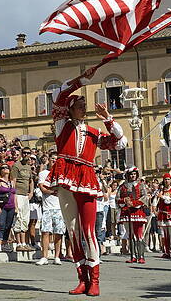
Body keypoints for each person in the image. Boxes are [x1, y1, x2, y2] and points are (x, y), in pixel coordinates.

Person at [43, 68, 127, 296]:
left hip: (86, 178)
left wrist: (108, 119)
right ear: (70, 109)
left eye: (84, 104)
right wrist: (81, 80)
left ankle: (96, 280)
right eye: (79, 104)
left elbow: (120, 143)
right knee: (73, 230)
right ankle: (82, 279)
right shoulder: (62, 125)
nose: (84, 106)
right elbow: (59, 95)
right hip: (65, 177)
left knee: (89, 231)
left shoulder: (93, 132)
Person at [36, 152, 65, 266]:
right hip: (47, 207)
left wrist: (55, 191)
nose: (54, 161)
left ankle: (57, 256)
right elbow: (43, 188)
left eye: (56, 159)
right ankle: (44, 256)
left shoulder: (62, 174)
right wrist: (54, 191)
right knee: (45, 232)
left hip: (59, 207)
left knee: (58, 233)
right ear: (49, 160)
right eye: (52, 158)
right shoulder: (43, 173)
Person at [116, 166, 147, 264]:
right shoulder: (122, 186)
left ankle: (141, 256)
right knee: (130, 235)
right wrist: (124, 200)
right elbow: (117, 198)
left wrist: (134, 203)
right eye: (131, 174)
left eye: (134, 174)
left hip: (137, 212)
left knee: (139, 235)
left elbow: (144, 197)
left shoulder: (141, 185)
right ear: (128, 175)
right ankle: (133, 256)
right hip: (126, 212)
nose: (133, 176)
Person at [11, 147, 34, 251]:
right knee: (18, 217)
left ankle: (24, 243)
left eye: (28, 153)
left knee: (25, 218)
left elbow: (31, 181)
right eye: (24, 153)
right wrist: (13, 194)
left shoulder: (29, 167)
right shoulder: (16, 165)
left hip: (25, 195)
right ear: (21, 153)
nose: (26, 155)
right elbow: (13, 180)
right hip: (18, 194)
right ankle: (19, 244)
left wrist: (31, 192)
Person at [0, 164, 17, 252]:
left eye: (7, 167)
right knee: (1, 225)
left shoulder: (12, 182)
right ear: (0, 170)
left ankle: (4, 243)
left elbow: (14, 194)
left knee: (8, 226)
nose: (6, 169)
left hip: (11, 206)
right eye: (3, 168)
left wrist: (16, 207)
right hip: (2, 206)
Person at [156, 173, 171, 259]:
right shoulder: (161, 190)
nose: (167, 181)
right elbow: (156, 200)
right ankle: (166, 252)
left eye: (168, 179)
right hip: (163, 213)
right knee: (165, 234)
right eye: (165, 179)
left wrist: (163, 197)